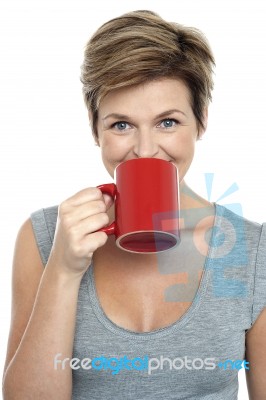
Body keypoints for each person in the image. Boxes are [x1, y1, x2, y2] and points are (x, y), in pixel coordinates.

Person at [2, 10, 266, 400]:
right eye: (121, 125)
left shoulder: (252, 250)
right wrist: (62, 269)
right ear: (96, 130)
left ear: (202, 122)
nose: (145, 150)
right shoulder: (44, 238)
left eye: (168, 122)